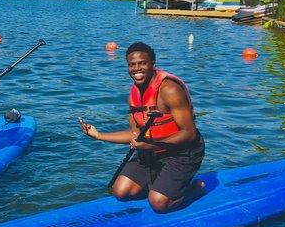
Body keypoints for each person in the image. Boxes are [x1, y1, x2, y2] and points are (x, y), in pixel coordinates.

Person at [79, 42, 205, 213]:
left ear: (153, 63)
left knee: (159, 204)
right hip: (152, 153)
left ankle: (194, 190)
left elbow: (189, 134)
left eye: (142, 63)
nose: (137, 68)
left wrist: (150, 145)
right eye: (132, 64)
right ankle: (163, 184)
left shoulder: (169, 90)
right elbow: (135, 134)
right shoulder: (133, 95)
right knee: (121, 192)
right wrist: (99, 135)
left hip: (182, 153)